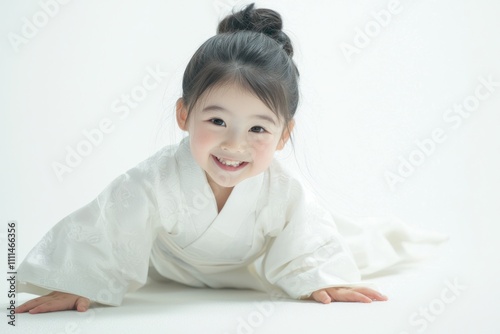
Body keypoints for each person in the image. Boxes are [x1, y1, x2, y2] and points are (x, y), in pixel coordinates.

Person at [16, 3, 433, 314]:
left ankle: (402, 236)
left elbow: (307, 238)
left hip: (254, 271)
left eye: (258, 129)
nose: (235, 145)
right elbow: (110, 227)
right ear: (184, 114)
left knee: (360, 247)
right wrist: (81, 280)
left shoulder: (282, 192)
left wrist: (319, 279)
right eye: (217, 120)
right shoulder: (154, 180)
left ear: (284, 134)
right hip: (169, 273)